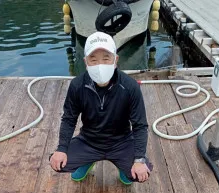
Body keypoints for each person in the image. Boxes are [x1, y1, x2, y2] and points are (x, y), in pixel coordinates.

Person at [49, 31, 153, 185]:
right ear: (86, 62)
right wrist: (62, 149)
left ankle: (125, 168)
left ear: (115, 60)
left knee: (140, 174)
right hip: (89, 141)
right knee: (58, 163)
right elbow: (69, 119)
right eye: (93, 59)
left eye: (106, 58)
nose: (100, 64)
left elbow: (140, 125)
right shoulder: (77, 85)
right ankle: (87, 161)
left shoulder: (130, 87)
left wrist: (139, 159)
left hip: (121, 141)